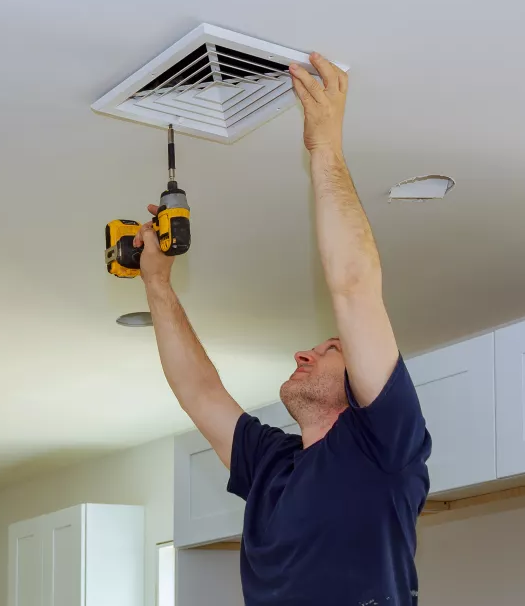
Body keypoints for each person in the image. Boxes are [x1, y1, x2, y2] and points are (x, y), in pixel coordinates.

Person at [134, 53, 431, 606]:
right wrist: (157, 285)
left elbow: (354, 286)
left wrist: (327, 150)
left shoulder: (384, 447)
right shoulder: (272, 463)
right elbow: (198, 391)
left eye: (331, 347)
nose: (306, 352)